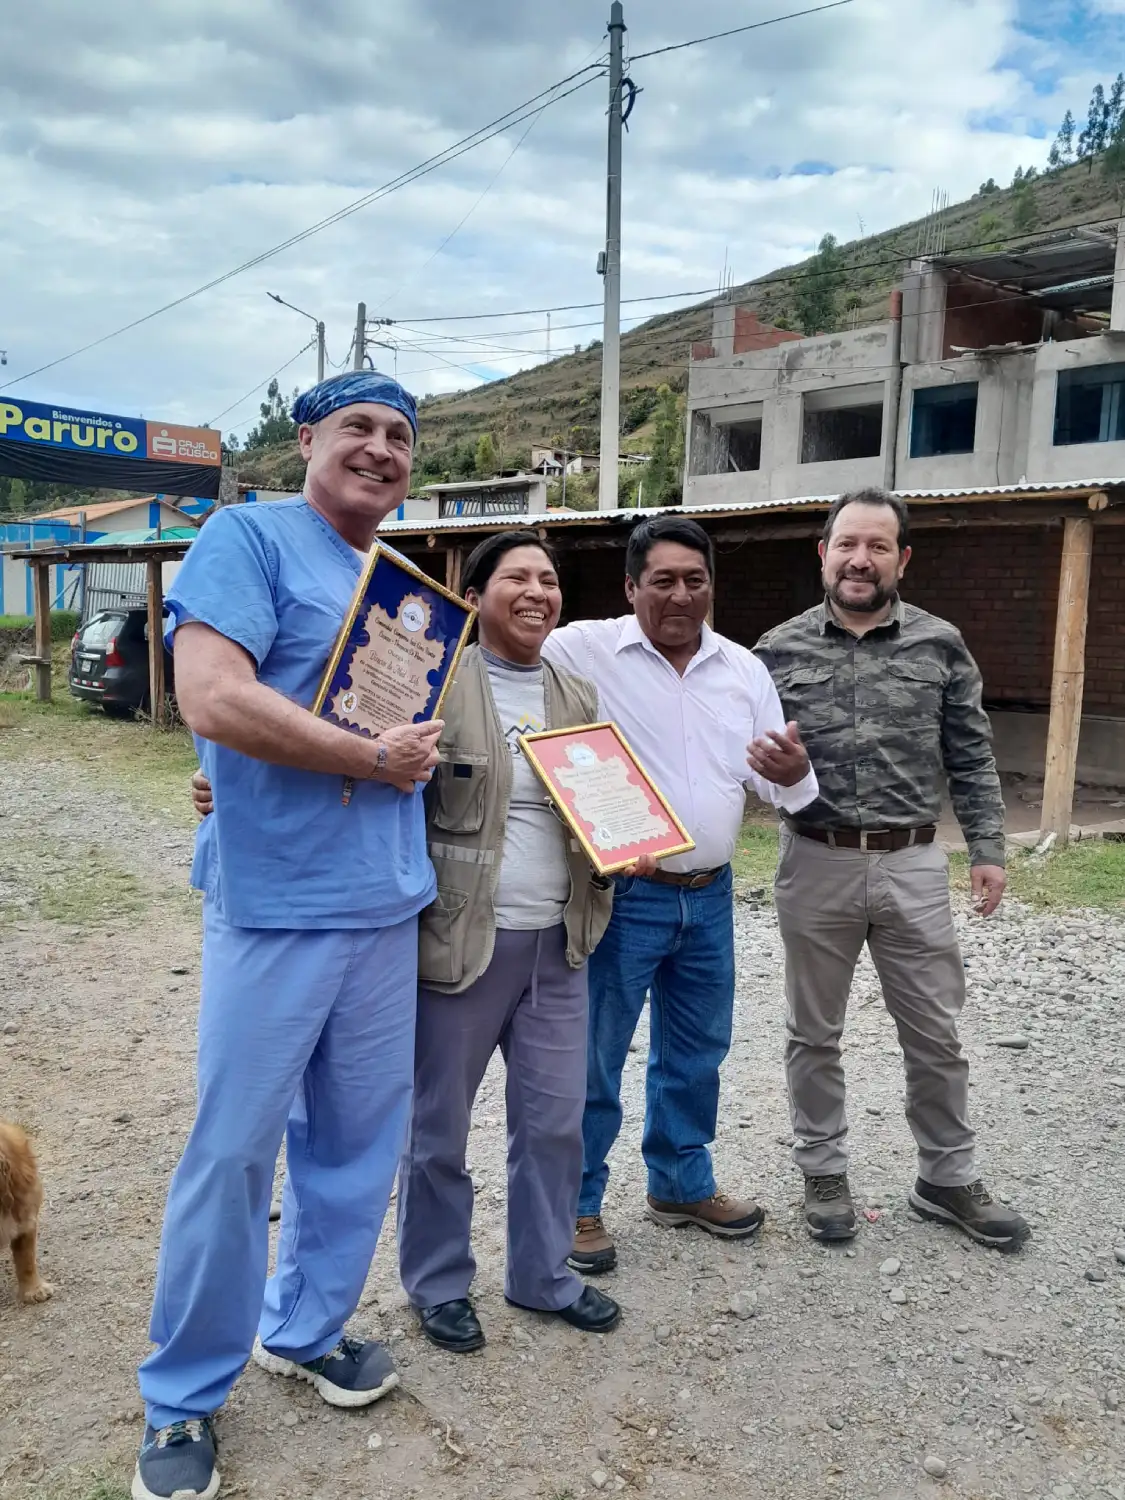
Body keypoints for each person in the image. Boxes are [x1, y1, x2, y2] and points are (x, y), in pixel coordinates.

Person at [133, 372, 443, 1500]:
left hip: (384, 903)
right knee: (231, 1157)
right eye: (356, 427)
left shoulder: (401, 585)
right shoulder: (249, 537)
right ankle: (181, 1400)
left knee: (358, 1145)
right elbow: (211, 697)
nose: (378, 448)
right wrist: (365, 759)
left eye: (399, 435)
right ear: (307, 437)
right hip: (277, 908)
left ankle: (306, 1331)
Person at [754, 486, 1030, 1251]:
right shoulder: (773, 651)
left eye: (877, 546)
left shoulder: (941, 644)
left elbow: (970, 754)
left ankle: (945, 1177)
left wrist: (987, 849)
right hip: (815, 862)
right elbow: (738, 759)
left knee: (935, 1034)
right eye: (846, 544)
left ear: (901, 559)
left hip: (911, 863)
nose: (859, 559)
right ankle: (823, 1171)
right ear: (823, 553)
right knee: (813, 1033)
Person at [542, 516, 820, 1275]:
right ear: (630, 587)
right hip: (626, 896)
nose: (679, 595)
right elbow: (501, 680)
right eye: (661, 580)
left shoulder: (742, 669)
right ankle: (576, 1203)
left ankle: (678, 1183)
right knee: (595, 1056)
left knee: (696, 1051)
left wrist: (791, 768)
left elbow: (782, 786)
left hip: (711, 895)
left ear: (710, 587)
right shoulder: (582, 649)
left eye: (693, 580)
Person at [396, 531, 635, 1353]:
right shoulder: (438, 684)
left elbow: (603, 803)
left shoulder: (574, 692)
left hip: (558, 947)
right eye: (516, 578)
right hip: (460, 946)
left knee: (554, 1123)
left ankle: (542, 1275)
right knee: (438, 1128)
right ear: (476, 593)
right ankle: (436, 1283)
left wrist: (629, 835)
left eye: (548, 580)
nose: (536, 592)